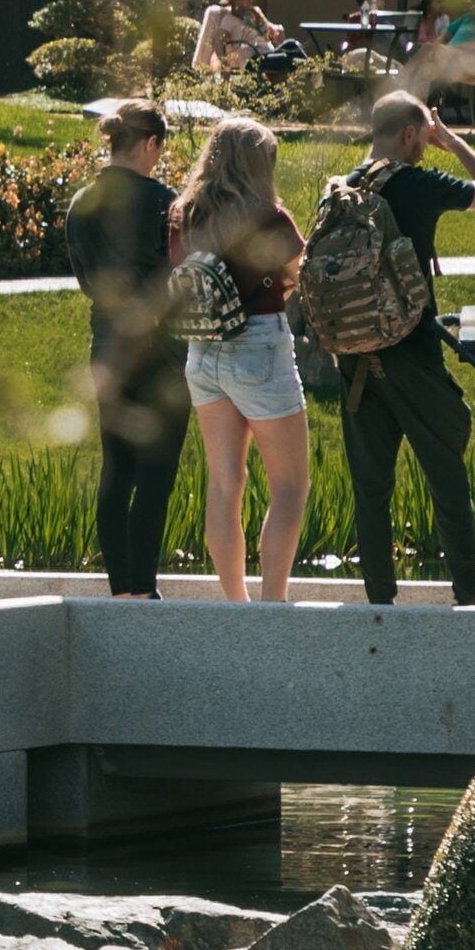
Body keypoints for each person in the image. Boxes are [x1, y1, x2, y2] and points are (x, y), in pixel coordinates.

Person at [329, 92, 475, 603]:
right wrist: (456, 144)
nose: (424, 149)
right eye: (424, 139)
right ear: (411, 134)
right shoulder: (416, 184)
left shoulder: (342, 189)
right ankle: (469, 594)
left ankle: (379, 603)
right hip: (411, 353)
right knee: (447, 476)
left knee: (371, 489)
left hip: (354, 358)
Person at [171, 118, 309, 601]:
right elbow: (299, 270)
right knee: (290, 485)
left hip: (202, 351)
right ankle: (271, 605)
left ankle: (235, 604)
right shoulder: (267, 215)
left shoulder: (185, 214)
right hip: (258, 348)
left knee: (225, 484)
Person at [64, 102, 186, 598]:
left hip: (106, 346)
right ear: (151, 144)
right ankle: (144, 586)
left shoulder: (81, 203)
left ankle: (120, 589)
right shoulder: (165, 201)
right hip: (158, 349)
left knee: (116, 470)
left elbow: (85, 279)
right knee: (156, 474)